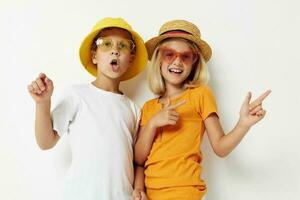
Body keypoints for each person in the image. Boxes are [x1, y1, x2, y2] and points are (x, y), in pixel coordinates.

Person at [134, 19, 271, 199]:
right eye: (169, 54)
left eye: (185, 56)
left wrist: (243, 124)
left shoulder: (200, 95)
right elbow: (139, 159)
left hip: (187, 193)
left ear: (194, 61)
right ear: (159, 58)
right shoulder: (149, 107)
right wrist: (153, 124)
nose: (177, 62)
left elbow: (221, 148)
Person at [27, 17, 148, 200]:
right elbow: (45, 142)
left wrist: (139, 189)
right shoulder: (76, 95)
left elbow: (138, 160)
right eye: (106, 44)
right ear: (94, 56)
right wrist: (42, 103)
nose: (115, 50)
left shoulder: (133, 109)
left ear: (130, 59)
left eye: (123, 46)